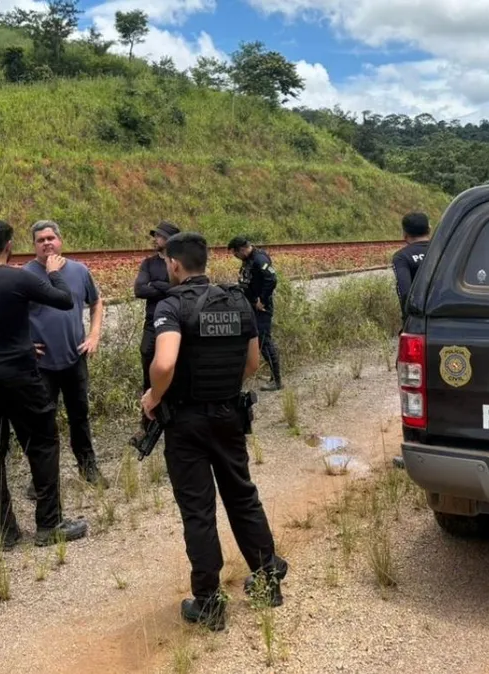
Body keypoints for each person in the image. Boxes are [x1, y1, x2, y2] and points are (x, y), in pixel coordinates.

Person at [141, 232, 288, 632]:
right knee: (242, 496)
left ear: (174, 264)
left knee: (198, 512)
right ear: (205, 262)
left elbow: (165, 362)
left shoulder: (171, 305)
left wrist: (153, 395)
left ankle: (208, 602)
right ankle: (268, 581)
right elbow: (253, 364)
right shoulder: (237, 300)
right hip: (228, 415)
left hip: (187, 423)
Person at [0, 218, 89, 550]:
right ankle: (49, 524)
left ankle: (7, 532)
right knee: (42, 444)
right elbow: (65, 300)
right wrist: (54, 271)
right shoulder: (20, 278)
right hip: (23, 377)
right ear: (9, 246)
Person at [13, 220, 109, 496]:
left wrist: (94, 335)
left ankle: (88, 467)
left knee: (80, 415)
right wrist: (24, 344)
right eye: (40, 240)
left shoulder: (79, 271)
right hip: (41, 364)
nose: (46, 243)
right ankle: (41, 478)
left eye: (51, 238)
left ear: (60, 241)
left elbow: (97, 302)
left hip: (74, 357)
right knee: (42, 421)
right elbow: (12, 315)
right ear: (33, 246)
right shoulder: (25, 275)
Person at [129, 220, 180, 447]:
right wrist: (165, 287)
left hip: (176, 323)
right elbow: (139, 289)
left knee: (175, 371)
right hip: (152, 324)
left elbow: (183, 289)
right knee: (148, 373)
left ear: (169, 240)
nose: (155, 239)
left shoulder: (179, 261)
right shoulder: (148, 263)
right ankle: (147, 425)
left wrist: (157, 285)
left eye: (158, 236)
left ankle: (176, 422)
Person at [227, 236, 282, 391]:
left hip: (261, 308)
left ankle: (277, 381)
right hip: (250, 305)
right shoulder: (248, 259)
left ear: (242, 249)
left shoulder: (259, 259)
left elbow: (271, 280)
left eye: (236, 254)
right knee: (254, 340)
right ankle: (271, 375)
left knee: (264, 341)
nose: (236, 257)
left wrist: (262, 300)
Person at [392, 212, 431, 320]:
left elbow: (405, 293)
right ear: (429, 229)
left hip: (418, 319)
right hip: (444, 314)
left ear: (404, 233)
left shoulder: (402, 257)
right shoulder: (442, 251)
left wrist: (407, 321)